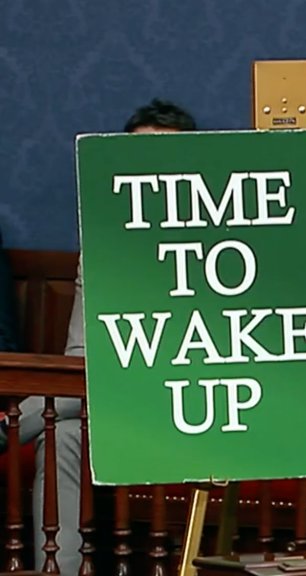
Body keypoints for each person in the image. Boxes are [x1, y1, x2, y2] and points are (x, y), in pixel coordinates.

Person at [9, 98, 196, 574]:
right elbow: (80, 358)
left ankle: (7, 425)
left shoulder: (216, 248)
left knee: (66, 409)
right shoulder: (104, 252)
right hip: (111, 404)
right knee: (63, 435)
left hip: (191, 404)